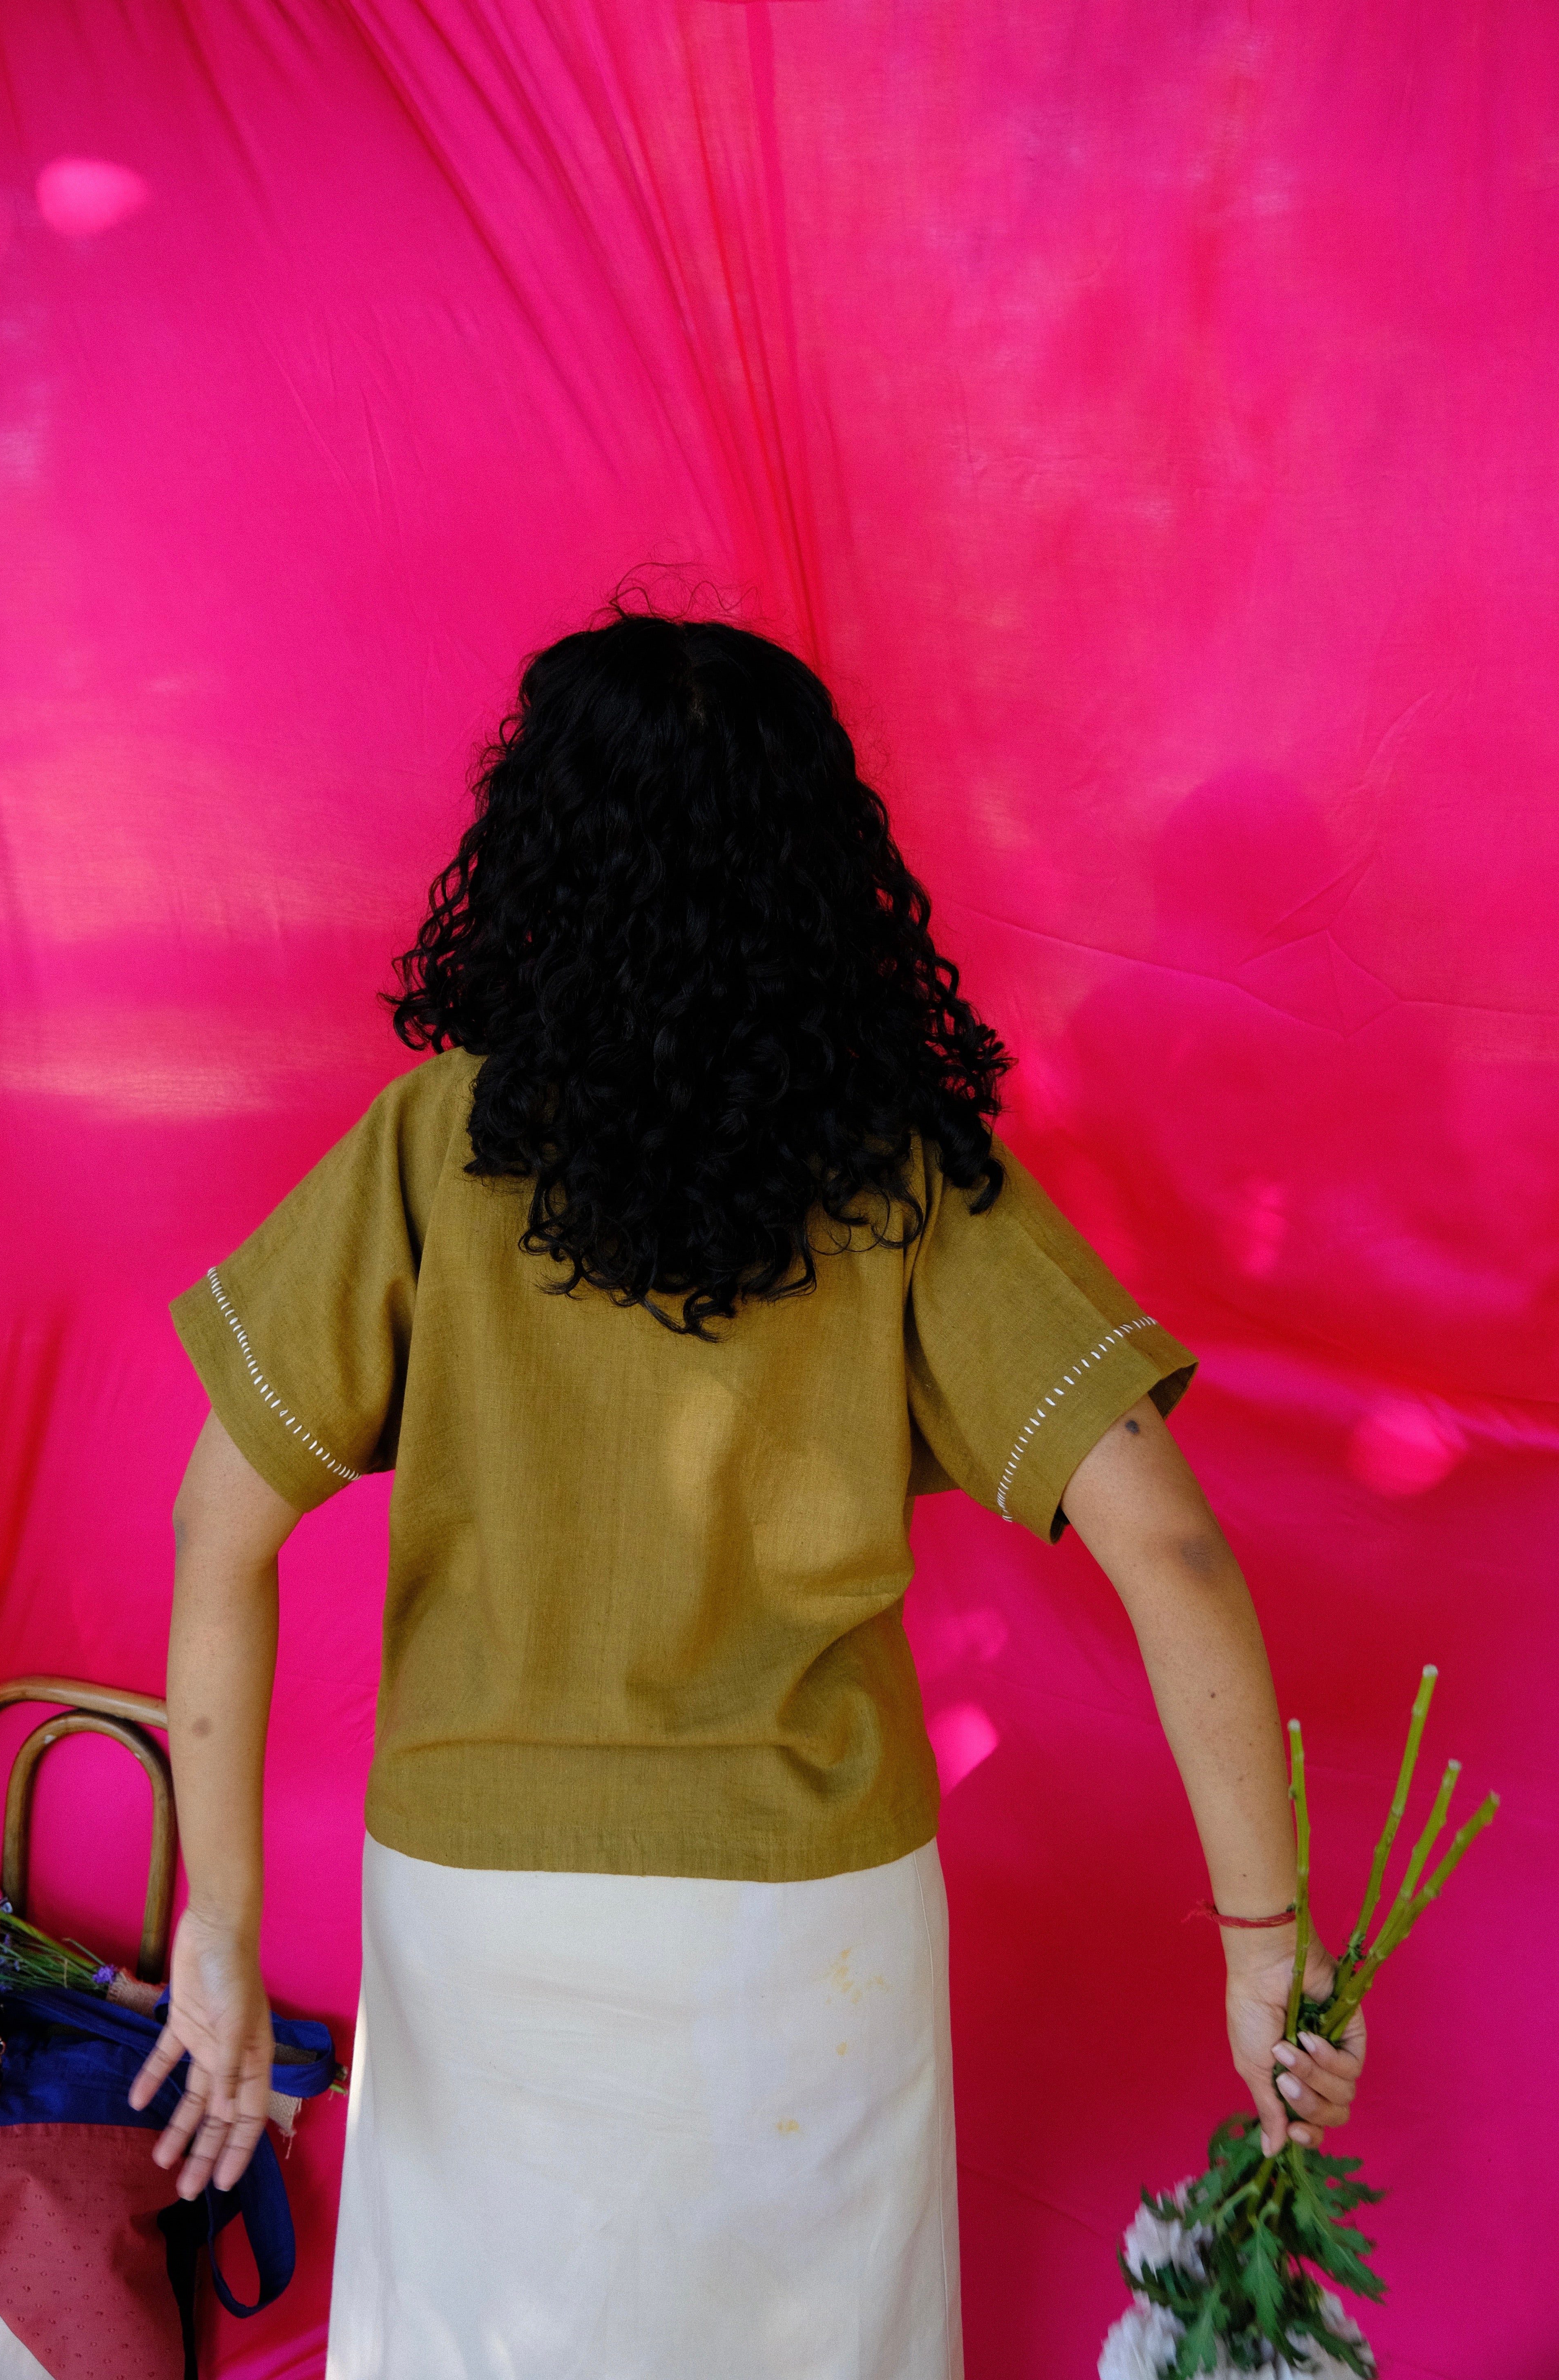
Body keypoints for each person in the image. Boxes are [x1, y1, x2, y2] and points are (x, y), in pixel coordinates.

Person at [129, 611, 1365, 2378]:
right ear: (822, 866)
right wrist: (1265, 1947)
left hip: (484, 1916)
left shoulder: (431, 1146)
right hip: (807, 1922)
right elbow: (1168, 1547)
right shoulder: (907, 1178)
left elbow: (217, 1530)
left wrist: (223, 1923)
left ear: (531, 850)